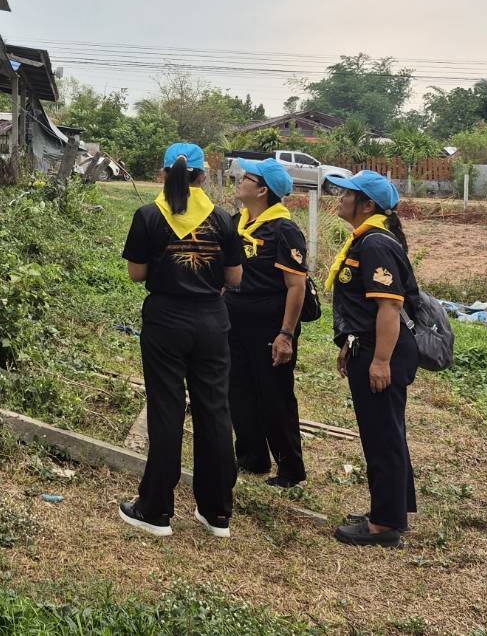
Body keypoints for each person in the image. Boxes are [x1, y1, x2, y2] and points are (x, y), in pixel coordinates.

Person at [118, 143, 244, 539]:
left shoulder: (148, 216)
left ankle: (155, 510)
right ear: (203, 176)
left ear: (162, 174)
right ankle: (217, 512)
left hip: (166, 322)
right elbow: (235, 279)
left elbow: (136, 275)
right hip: (211, 322)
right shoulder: (224, 220)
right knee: (215, 411)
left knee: (166, 410)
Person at [324, 169, 419, 547]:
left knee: (382, 435)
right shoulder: (366, 240)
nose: (340, 198)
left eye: (348, 194)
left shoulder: (376, 244)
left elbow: (389, 309)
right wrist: (351, 343)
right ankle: (393, 508)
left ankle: (384, 525)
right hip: (368, 344)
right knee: (386, 431)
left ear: (367, 205)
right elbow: (364, 308)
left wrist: (380, 360)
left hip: (386, 350)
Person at [227, 157, 309, 488]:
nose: (238, 181)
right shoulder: (237, 222)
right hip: (234, 322)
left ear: (262, 190)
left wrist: (286, 334)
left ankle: (290, 469)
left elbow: (296, 286)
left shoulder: (284, 230)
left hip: (270, 327)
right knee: (239, 391)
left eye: (245, 178)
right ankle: (251, 457)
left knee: (274, 396)